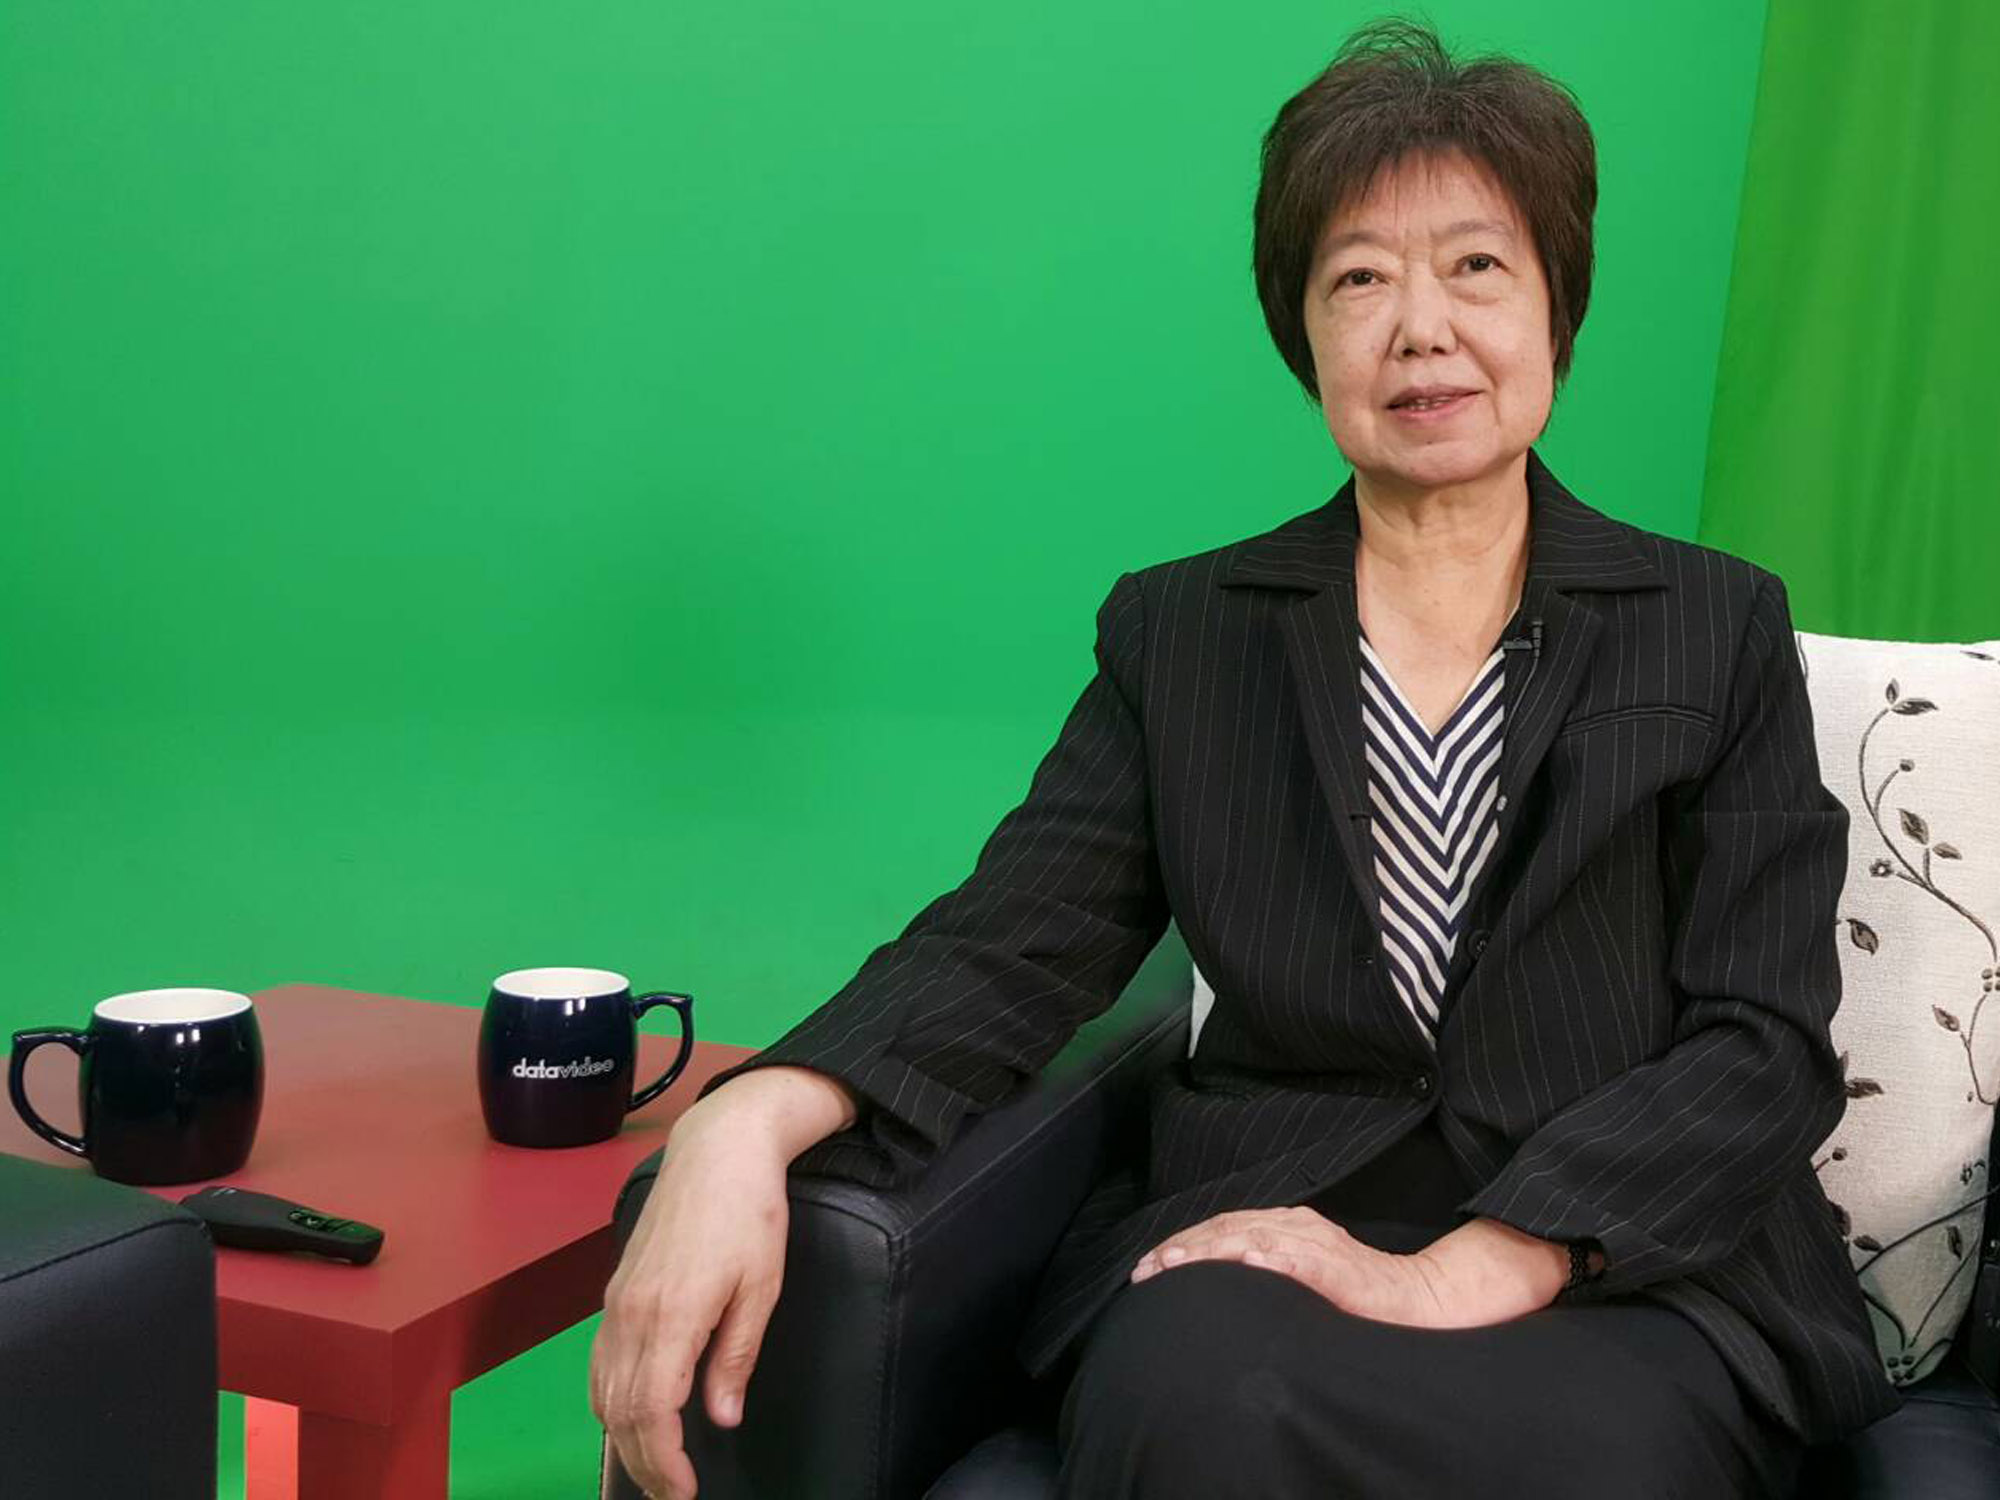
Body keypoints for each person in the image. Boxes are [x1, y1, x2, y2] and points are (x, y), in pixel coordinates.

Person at [590, 17, 1903, 1499]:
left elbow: (1762, 1037)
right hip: (1264, 1240)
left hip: (1616, 1266)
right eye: (1360, 279)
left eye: (1478, 266)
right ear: (1305, 337)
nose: (1422, 327)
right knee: (1197, 1402)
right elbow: (1007, 946)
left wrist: (1487, 1258)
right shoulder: (1186, 633)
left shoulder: (1714, 623)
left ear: (1558, 309)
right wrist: (743, 1116)